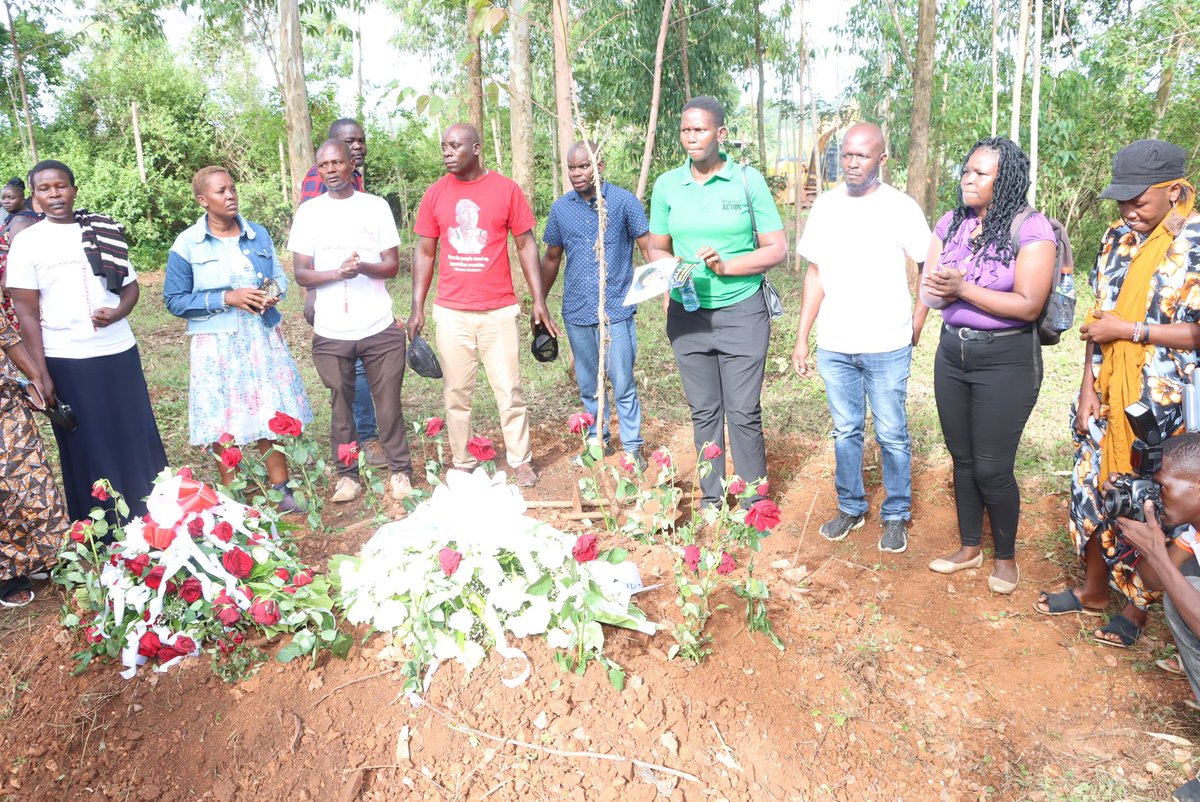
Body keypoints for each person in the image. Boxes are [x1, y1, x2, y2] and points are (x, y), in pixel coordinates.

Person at [1036, 139, 1200, 646]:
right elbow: (1098, 321)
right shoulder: (1115, 239)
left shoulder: (1194, 243)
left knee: (1151, 501)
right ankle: (1093, 589)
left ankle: (1137, 609)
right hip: (1108, 392)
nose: (1129, 211)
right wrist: (1087, 386)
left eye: (1139, 200)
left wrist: (1132, 332)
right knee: (1090, 486)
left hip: (1166, 403)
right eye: (1121, 201)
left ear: (1173, 191)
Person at [920, 136, 1056, 594]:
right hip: (952, 354)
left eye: (981, 173)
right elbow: (929, 285)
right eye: (966, 170)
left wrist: (961, 289)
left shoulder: (1031, 228)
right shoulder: (951, 222)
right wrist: (934, 290)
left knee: (992, 466)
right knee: (962, 459)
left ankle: (1006, 557)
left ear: (1007, 179)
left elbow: (1029, 304)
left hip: (1006, 360)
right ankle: (969, 547)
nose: (968, 179)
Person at [792, 122, 932, 553]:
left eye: (862, 155)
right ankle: (851, 507)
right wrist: (803, 337)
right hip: (836, 343)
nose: (851, 163)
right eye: (845, 154)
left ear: (882, 160)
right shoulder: (827, 207)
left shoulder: (901, 207)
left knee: (891, 432)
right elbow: (815, 273)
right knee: (845, 430)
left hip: (887, 343)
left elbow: (930, 263)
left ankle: (895, 514)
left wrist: (918, 322)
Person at [646, 96, 788, 510]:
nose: (692, 138)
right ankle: (712, 499)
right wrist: (672, 269)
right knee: (704, 410)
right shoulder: (667, 185)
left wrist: (727, 266)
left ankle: (752, 504)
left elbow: (776, 248)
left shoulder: (747, 181)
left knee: (743, 411)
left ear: (720, 134)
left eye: (701, 130)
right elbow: (656, 247)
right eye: (686, 130)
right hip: (688, 314)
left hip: (743, 310)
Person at [6, 160, 168, 521]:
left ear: (74, 190)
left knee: (134, 431)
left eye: (61, 186)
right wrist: (40, 374)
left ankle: (151, 515)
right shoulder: (27, 243)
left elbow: (130, 287)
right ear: (35, 198)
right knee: (87, 442)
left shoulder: (102, 229)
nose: (54, 194)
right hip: (66, 357)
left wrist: (119, 312)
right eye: (45, 189)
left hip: (118, 351)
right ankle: (101, 524)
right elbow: (27, 313)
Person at [409, 123, 558, 487]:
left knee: (509, 390)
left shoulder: (506, 190)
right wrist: (417, 307)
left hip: (499, 311)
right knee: (456, 393)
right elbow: (425, 252)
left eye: (455, 146)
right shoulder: (435, 195)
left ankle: (520, 461)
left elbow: (525, 245)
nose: (447, 152)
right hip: (452, 312)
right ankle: (461, 462)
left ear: (476, 148)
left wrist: (539, 299)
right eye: (443, 146)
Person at [164, 166, 313, 513]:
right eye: (220, 191)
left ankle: (281, 489)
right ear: (203, 200)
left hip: (259, 338)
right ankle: (232, 499)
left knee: (268, 410)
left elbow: (280, 280)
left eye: (232, 188)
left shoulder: (257, 234)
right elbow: (174, 299)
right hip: (216, 343)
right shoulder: (187, 243)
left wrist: (269, 296)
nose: (230, 195)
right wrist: (226, 298)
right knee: (222, 416)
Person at [288, 140, 414, 503]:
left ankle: (400, 472)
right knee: (340, 404)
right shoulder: (309, 213)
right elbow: (301, 273)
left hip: (378, 326)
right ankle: (347, 476)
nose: (330, 170)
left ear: (350, 165)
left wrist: (362, 268)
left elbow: (391, 265)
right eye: (323, 164)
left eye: (337, 163)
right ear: (318, 169)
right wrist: (337, 273)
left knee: (388, 403)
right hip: (331, 331)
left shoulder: (374, 207)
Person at [542, 141, 652, 470]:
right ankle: (597, 442)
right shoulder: (562, 209)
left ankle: (633, 448)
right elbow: (551, 258)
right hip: (577, 312)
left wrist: (665, 285)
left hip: (616, 310)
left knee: (622, 383)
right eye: (572, 168)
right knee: (589, 385)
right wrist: (540, 301)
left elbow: (648, 247)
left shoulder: (623, 202)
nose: (577, 173)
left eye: (584, 166)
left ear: (599, 165)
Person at [1104, 434, 1200, 801]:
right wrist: (1133, 516)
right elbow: (1150, 578)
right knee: (1182, 591)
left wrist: (1160, 555)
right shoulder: (1193, 530)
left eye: (1160, 487)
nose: (1154, 495)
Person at [298, 118, 384, 468]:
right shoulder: (318, 180)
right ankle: (364, 439)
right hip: (333, 291)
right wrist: (312, 293)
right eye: (350, 141)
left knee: (361, 366)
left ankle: (366, 435)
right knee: (352, 370)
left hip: (362, 290)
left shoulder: (358, 181)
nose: (358, 147)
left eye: (361, 140)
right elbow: (311, 242)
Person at [0, 308, 69, 606]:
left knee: (31, 473)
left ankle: (49, 553)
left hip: (4, 401)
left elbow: (6, 335)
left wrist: (35, 376)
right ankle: (7, 571)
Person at [0, 178, 39, 329]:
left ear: (23, 199)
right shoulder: (13, 218)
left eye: (11, 198)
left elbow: (16, 255)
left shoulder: (22, 222)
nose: (6, 202)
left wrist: (6, 278)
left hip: (13, 278)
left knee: (17, 316)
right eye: (3, 198)